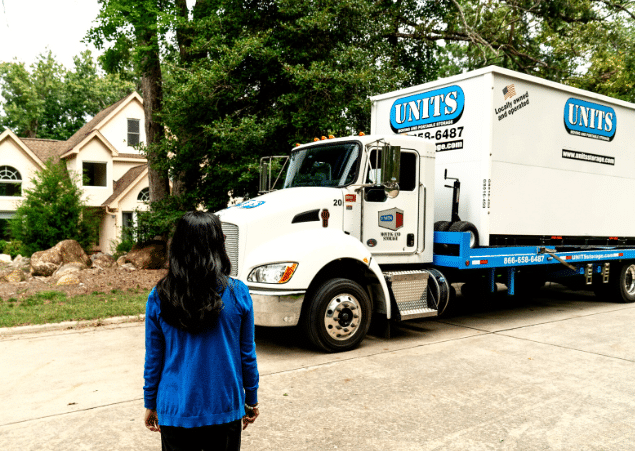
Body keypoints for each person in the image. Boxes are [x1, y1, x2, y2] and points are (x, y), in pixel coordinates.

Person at [143, 211, 260, 451]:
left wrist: (150, 403)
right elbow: (247, 354)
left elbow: (154, 358)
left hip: (176, 409)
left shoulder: (159, 296)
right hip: (225, 407)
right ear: (219, 244)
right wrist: (251, 399)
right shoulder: (238, 293)